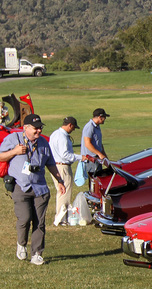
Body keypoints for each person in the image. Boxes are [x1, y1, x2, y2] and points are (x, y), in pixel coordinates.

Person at [0, 113, 65, 265]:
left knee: (39, 222)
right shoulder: (13, 139)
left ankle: (37, 253)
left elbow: (50, 163)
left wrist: (60, 180)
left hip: (40, 188)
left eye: (40, 128)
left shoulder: (43, 142)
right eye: (35, 129)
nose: (39, 131)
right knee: (24, 218)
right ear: (26, 128)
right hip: (20, 185)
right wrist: (14, 152)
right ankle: (21, 244)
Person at [48, 116, 81, 226]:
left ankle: (60, 215)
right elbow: (65, 155)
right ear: (70, 125)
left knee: (61, 191)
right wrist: (80, 157)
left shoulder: (55, 134)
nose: (73, 130)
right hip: (62, 166)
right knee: (64, 191)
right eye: (73, 128)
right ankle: (62, 218)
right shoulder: (62, 137)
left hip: (55, 165)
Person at [81, 108, 109, 174]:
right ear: (100, 117)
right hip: (91, 159)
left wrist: (104, 156)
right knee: (95, 179)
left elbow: (99, 143)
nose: (105, 119)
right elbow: (87, 144)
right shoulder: (90, 127)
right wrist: (99, 154)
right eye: (104, 117)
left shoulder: (97, 127)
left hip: (97, 158)